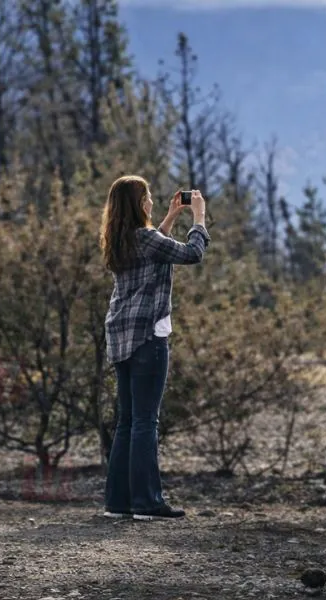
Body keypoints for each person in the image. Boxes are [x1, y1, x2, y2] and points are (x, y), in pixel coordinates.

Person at [98, 175, 210, 521]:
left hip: (121, 337)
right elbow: (192, 255)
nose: (150, 202)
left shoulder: (120, 240)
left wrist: (170, 218)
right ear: (137, 203)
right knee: (146, 421)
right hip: (149, 336)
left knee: (128, 421)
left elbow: (153, 249)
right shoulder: (146, 239)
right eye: (146, 197)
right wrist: (199, 218)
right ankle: (147, 501)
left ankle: (119, 503)